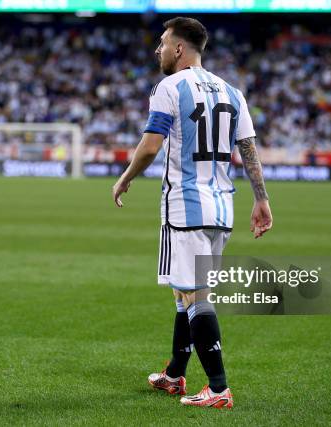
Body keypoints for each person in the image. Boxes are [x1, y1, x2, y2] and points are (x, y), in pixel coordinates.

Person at [112, 17, 272, 409]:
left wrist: (126, 177)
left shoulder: (169, 87)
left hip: (185, 207)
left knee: (197, 296)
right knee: (184, 293)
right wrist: (262, 199)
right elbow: (248, 149)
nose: (158, 50)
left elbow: (150, 147)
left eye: (163, 44)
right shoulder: (232, 92)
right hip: (222, 208)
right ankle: (174, 375)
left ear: (180, 49)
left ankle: (218, 389)